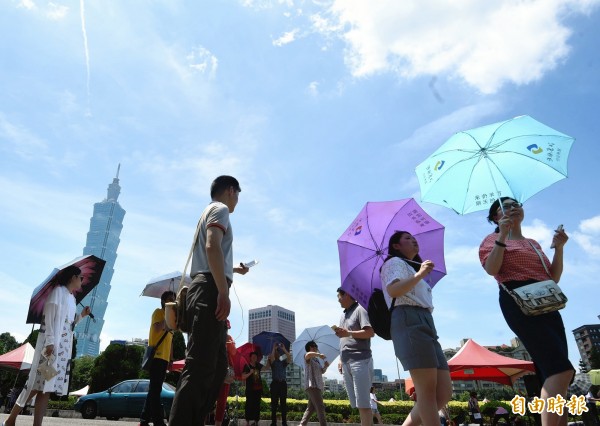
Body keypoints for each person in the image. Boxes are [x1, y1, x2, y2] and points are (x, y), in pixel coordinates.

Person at [479, 197, 574, 426]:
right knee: (559, 370)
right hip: (518, 299)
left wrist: (559, 248)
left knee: (554, 373)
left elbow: (553, 277)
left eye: (516, 204)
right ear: (495, 217)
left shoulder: (532, 242)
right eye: (506, 206)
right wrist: (502, 235)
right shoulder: (491, 239)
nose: (513, 208)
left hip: (546, 300)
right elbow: (492, 269)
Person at [169, 175, 250, 426]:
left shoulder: (209, 212)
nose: (237, 199)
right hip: (209, 289)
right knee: (200, 367)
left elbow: (212, 253)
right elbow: (211, 245)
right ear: (229, 190)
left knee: (216, 369)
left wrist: (233, 270)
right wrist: (223, 291)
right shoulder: (220, 208)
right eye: (238, 193)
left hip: (206, 285)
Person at [380, 231, 452, 426]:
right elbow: (394, 290)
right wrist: (420, 274)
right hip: (408, 318)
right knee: (427, 392)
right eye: (407, 238)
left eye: (414, 238)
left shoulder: (412, 267)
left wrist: (419, 273)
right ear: (396, 246)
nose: (414, 240)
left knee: (443, 393)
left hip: (425, 319)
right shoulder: (393, 263)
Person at [3, 265, 91, 426]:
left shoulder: (71, 299)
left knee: (45, 388)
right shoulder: (57, 293)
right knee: (36, 385)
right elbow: (49, 318)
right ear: (72, 278)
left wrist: (82, 316)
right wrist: (50, 343)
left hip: (62, 350)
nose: (82, 280)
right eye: (81, 277)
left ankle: (19, 421)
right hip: (50, 348)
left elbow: (69, 325)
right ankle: (10, 419)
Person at [334, 287, 375, 426]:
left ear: (347, 295)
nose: (338, 299)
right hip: (346, 362)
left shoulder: (360, 309)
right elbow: (343, 339)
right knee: (357, 403)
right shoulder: (343, 315)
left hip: (360, 360)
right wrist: (340, 359)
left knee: (363, 402)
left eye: (339, 295)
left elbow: (370, 332)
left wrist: (349, 333)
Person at [139, 290, 176, 426]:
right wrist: (167, 319)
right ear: (163, 302)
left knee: (155, 389)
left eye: (174, 299)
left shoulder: (172, 319)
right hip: (156, 356)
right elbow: (156, 328)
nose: (172, 301)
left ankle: (144, 419)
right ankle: (157, 420)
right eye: (170, 299)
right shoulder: (158, 313)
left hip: (165, 359)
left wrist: (171, 360)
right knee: (155, 389)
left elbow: (170, 341)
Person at [299, 341, 329, 426]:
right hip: (312, 385)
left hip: (317, 385)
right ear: (309, 348)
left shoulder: (316, 360)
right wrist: (319, 355)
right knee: (320, 406)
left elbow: (321, 371)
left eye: (316, 346)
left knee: (311, 408)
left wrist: (325, 366)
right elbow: (308, 355)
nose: (315, 347)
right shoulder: (307, 356)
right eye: (313, 346)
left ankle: (302, 424)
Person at [215, 321, 238, 426]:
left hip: (212, 370)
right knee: (222, 400)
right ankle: (218, 424)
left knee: (207, 398)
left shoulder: (213, 336)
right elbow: (233, 353)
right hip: (224, 371)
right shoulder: (228, 338)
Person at [267, 342, 291, 426]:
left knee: (283, 405)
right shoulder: (272, 361)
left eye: (278, 351)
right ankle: (274, 423)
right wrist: (274, 348)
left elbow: (289, 357)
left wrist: (284, 349)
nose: (277, 352)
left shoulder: (282, 361)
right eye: (276, 351)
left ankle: (284, 423)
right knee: (274, 404)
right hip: (275, 384)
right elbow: (272, 358)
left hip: (283, 383)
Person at [241, 352, 263, 426]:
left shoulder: (258, 365)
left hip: (258, 389)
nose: (255, 358)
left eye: (256, 356)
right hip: (250, 389)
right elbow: (243, 377)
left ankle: (256, 421)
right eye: (253, 356)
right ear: (250, 357)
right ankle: (247, 422)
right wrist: (250, 372)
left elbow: (266, 368)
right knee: (249, 404)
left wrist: (269, 360)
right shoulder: (247, 365)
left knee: (257, 405)